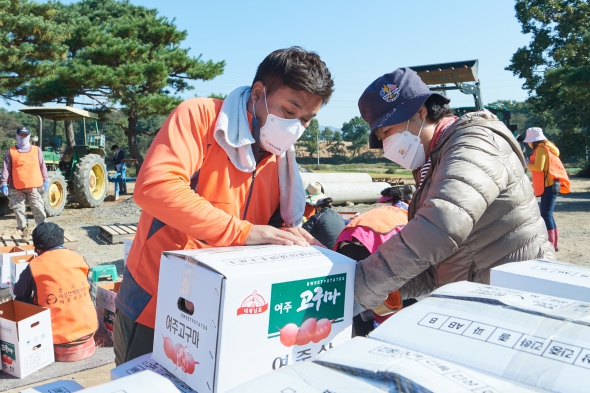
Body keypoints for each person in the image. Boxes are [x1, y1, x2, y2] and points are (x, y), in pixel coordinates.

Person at [114, 47, 334, 365]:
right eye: (289, 111)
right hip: (158, 301)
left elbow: (276, 227)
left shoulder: (281, 162)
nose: (296, 127)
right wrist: (241, 232)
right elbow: (155, 187)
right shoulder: (201, 118)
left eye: (306, 120)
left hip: (225, 309)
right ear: (259, 93)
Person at [354, 68, 555, 311]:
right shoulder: (433, 161)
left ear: (421, 111)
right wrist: (390, 288)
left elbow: (441, 226)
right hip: (481, 295)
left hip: (516, 299)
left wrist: (361, 283)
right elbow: (440, 257)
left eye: (387, 132)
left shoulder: (474, 142)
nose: (387, 145)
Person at [13, 222, 97, 360]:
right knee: (89, 284)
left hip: (56, 341)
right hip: (88, 333)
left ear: (37, 248)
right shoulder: (78, 259)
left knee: (20, 301)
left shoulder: (34, 266)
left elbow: (19, 292)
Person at [334, 190, 409, 336]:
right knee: (384, 295)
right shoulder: (407, 216)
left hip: (349, 237)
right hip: (374, 242)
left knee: (353, 292)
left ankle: (358, 335)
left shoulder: (379, 210)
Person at [524, 127, 571, 251]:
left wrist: (526, 163)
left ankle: (551, 244)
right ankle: (554, 243)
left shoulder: (540, 149)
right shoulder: (545, 148)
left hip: (549, 186)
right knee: (548, 214)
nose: (528, 143)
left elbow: (538, 168)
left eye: (528, 140)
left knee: (546, 214)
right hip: (551, 185)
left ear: (533, 141)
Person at [1, 127, 48, 237]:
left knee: (38, 208)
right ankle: (24, 231)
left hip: (34, 186)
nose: (23, 137)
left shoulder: (36, 150)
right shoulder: (11, 151)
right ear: (16, 136)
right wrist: (3, 183)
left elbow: (42, 166)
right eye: (20, 135)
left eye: (25, 135)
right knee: (19, 210)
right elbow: (6, 169)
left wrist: (45, 180)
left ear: (29, 136)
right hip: (16, 187)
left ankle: (42, 231)